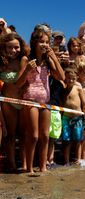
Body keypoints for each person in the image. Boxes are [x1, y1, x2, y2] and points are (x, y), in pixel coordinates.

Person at [23, 26, 64, 174]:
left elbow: (61, 77)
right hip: (30, 100)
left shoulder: (48, 61)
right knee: (33, 135)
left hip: (45, 101)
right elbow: (19, 82)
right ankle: (29, 168)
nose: (45, 44)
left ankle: (43, 167)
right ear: (34, 42)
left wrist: (54, 58)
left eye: (47, 41)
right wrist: (27, 69)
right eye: (41, 41)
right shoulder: (27, 59)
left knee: (45, 135)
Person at [0, 32, 29, 172]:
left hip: (23, 101)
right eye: (10, 48)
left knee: (23, 134)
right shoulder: (1, 61)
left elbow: (20, 82)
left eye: (16, 47)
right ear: (4, 48)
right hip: (7, 100)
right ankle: (11, 164)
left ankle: (23, 164)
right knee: (10, 135)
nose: (13, 51)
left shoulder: (23, 59)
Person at [61, 68, 85, 166]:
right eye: (68, 78)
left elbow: (84, 104)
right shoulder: (63, 89)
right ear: (65, 78)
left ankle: (78, 159)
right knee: (66, 140)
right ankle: (66, 161)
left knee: (78, 139)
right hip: (66, 117)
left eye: (73, 78)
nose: (71, 80)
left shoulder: (78, 88)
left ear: (76, 78)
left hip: (77, 117)